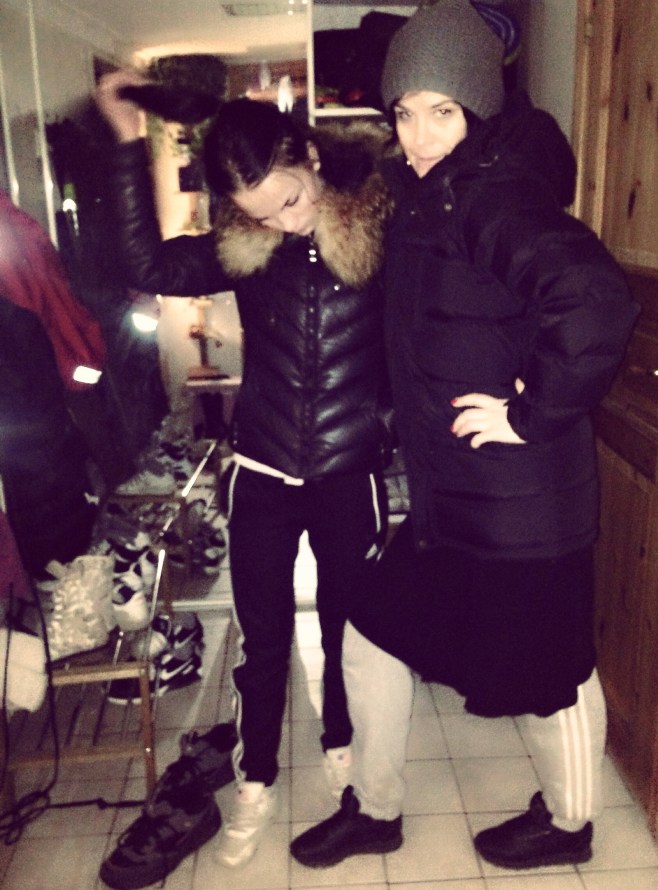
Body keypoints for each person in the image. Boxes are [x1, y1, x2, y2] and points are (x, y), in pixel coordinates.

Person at [290, 0, 640, 873]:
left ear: (479, 107)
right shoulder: (433, 195)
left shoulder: (492, 196)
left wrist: (526, 414)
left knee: (552, 675)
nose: (418, 136)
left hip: (524, 511)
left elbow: (595, 302)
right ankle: (375, 809)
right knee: (373, 626)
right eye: (405, 111)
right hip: (459, 502)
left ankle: (570, 826)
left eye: (442, 111)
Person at [95, 72, 393, 870]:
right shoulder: (247, 250)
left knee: (349, 629)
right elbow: (143, 261)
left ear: (309, 157)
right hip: (261, 470)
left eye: (288, 201)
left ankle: (342, 749)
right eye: (259, 215)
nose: (282, 223)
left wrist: (393, 423)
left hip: (348, 473)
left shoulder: (383, 228)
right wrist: (126, 141)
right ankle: (254, 777)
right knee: (262, 639)